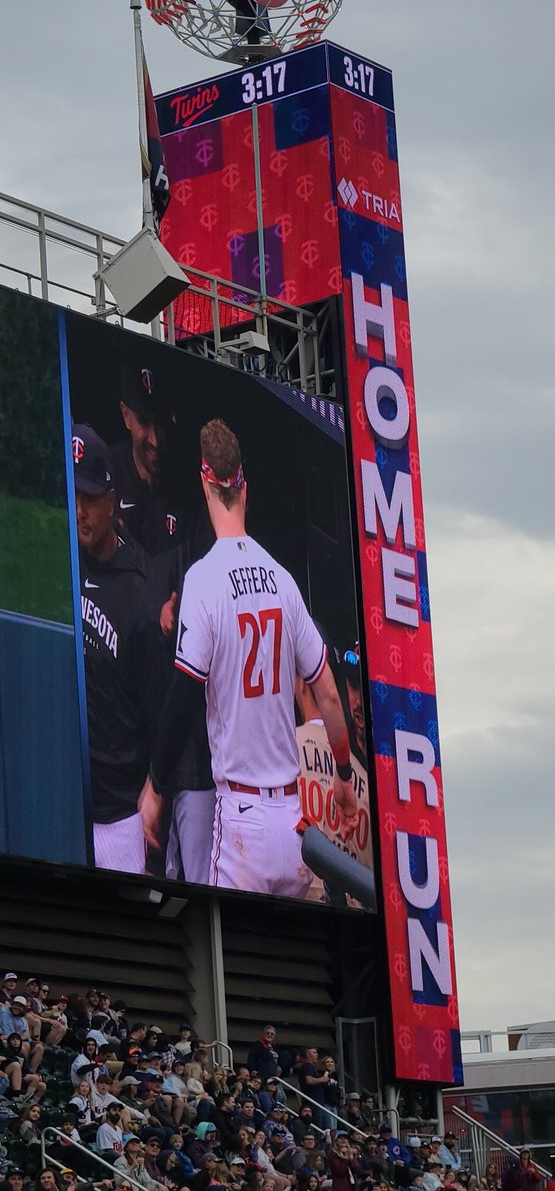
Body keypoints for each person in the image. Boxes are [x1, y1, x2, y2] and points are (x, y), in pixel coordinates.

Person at [147, 418, 359, 897]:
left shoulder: (204, 578)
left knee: (231, 961)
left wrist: (156, 788)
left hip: (241, 819)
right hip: (292, 820)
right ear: (245, 487)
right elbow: (327, 691)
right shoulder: (282, 581)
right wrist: (343, 776)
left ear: (206, 483)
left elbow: (182, 699)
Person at [109, 364, 217, 886]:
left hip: (181, 714)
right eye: (144, 423)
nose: (156, 439)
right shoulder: (103, 480)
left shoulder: (186, 488)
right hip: (126, 705)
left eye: (163, 424)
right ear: (126, 416)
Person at [73, 423, 167, 873]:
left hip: (119, 820)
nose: (79, 512)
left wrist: (154, 792)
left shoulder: (140, 593)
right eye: (72, 497)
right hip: (63, 802)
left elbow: (161, 716)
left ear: (111, 503)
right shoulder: (58, 562)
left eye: (89, 499)